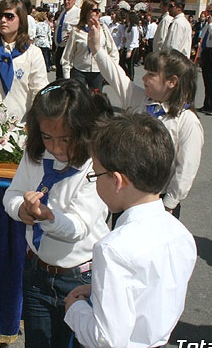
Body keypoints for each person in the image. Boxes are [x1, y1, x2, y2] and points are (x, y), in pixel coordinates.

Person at [64, 113, 197, 348]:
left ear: (116, 181)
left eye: (95, 176)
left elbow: (109, 340)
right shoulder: (181, 234)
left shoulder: (112, 249)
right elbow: (152, 292)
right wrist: (97, 293)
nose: (94, 183)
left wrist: (75, 310)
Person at [3, 79, 113, 348]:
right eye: (47, 137)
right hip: (38, 275)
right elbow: (12, 194)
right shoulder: (37, 155)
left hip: (81, 278)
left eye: (65, 138)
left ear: (83, 129)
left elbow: (78, 227)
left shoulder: (95, 165)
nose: (56, 147)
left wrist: (47, 217)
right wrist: (20, 210)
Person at [87, 15, 203, 219]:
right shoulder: (140, 98)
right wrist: (97, 48)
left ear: (172, 82)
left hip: (158, 201)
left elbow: (186, 169)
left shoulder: (187, 121)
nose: (144, 78)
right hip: (126, 193)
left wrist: (169, 205)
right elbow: (116, 76)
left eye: (151, 75)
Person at [0, 0, 49, 120]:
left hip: (20, 126)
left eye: (9, 16)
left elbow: (39, 92)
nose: (3, 20)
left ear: (21, 20)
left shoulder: (32, 53)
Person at [61, 0, 118, 91]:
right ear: (86, 12)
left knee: (95, 101)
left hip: (98, 71)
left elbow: (113, 51)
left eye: (98, 11)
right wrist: (67, 77)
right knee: (80, 100)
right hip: (79, 70)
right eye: (95, 10)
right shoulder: (76, 31)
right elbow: (67, 56)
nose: (97, 13)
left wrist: (110, 71)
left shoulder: (103, 29)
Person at [54, 0, 80, 78]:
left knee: (67, 73)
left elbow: (83, 28)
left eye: (69, 0)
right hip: (60, 47)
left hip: (69, 47)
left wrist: (74, 33)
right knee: (59, 74)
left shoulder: (78, 13)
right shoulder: (63, 13)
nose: (66, 2)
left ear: (74, 1)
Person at [119, 12, 139, 81]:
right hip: (127, 46)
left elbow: (134, 40)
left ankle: (131, 78)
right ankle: (127, 75)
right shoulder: (128, 26)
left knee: (130, 64)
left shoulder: (134, 28)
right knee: (122, 62)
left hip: (133, 48)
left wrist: (130, 51)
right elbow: (125, 38)